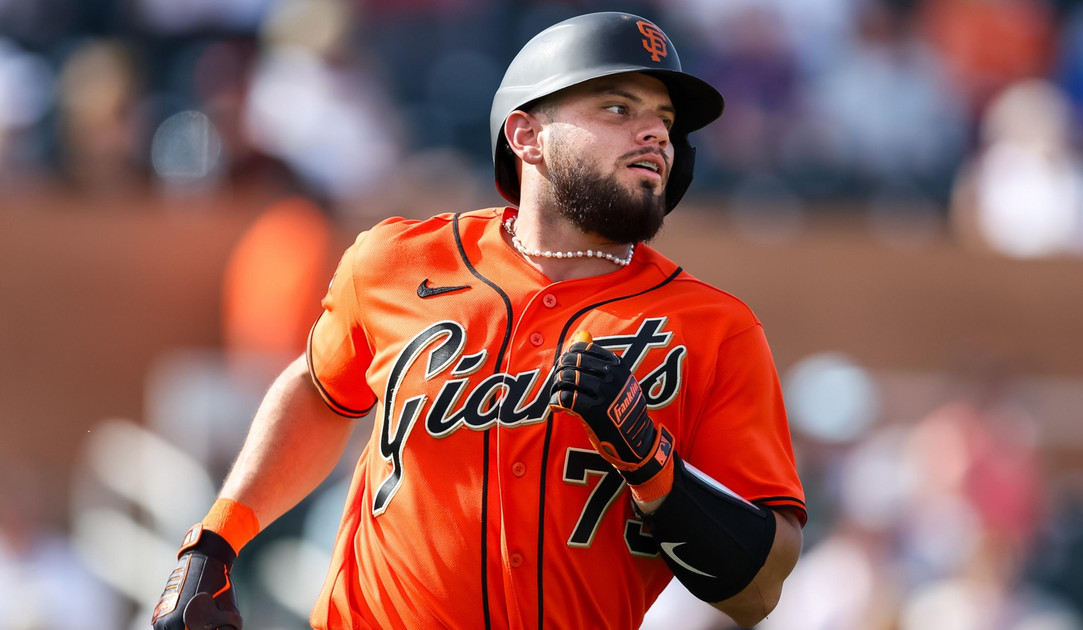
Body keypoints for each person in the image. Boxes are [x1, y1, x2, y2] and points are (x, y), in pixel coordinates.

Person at [151, 12, 806, 630]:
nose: (655, 133)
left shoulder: (715, 328)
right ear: (526, 135)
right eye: (617, 108)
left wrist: (657, 468)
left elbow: (758, 591)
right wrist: (214, 538)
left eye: (664, 119)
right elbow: (323, 392)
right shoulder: (396, 262)